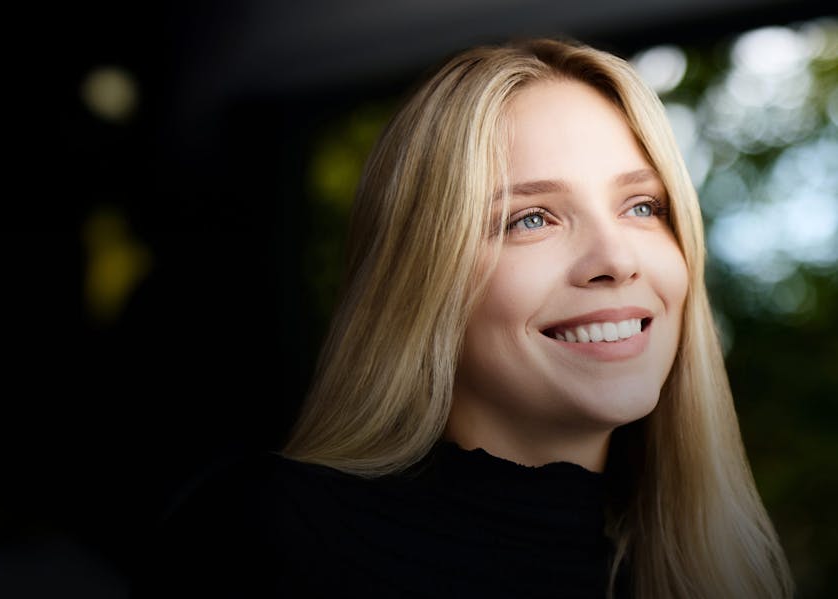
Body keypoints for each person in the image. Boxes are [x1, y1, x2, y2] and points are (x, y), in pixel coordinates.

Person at [130, 38, 794, 599]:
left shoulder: (719, 574)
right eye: (531, 218)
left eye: (643, 207)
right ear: (424, 275)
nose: (616, 259)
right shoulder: (264, 539)